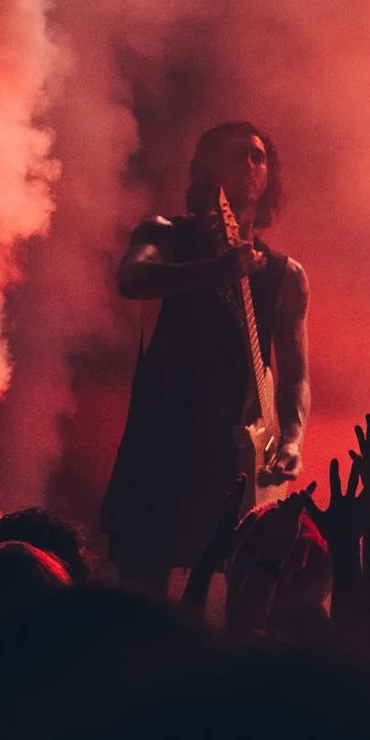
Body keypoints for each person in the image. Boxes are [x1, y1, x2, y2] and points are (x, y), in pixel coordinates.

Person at [99, 123, 309, 593]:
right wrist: (214, 270)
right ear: (203, 171)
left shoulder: (286, 275)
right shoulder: (165, 234)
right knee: (141, 590)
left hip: (235, 460)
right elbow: (133, 279)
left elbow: (295, 376)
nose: (249, 165)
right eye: (234, 156)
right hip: (160, 447)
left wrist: (292, 438)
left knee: (229, 594)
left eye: (258, 156)